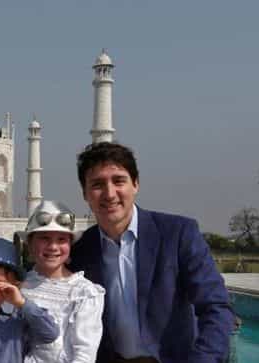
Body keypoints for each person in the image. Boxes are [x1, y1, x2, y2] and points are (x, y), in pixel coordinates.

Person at [70, 142, 234, 363]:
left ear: (135, 184)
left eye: (119, 181)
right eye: (98, 184)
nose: (109, 193)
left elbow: (216, 307)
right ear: (85, 194)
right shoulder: (82, 250)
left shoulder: (176, 235)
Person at [20, 200, 105, 362]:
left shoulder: (83, 292)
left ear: (70, 245)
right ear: (30, 244)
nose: (53, 246)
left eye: (61, 239)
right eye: (44, 238)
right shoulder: (18, 285)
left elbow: (84, 353)